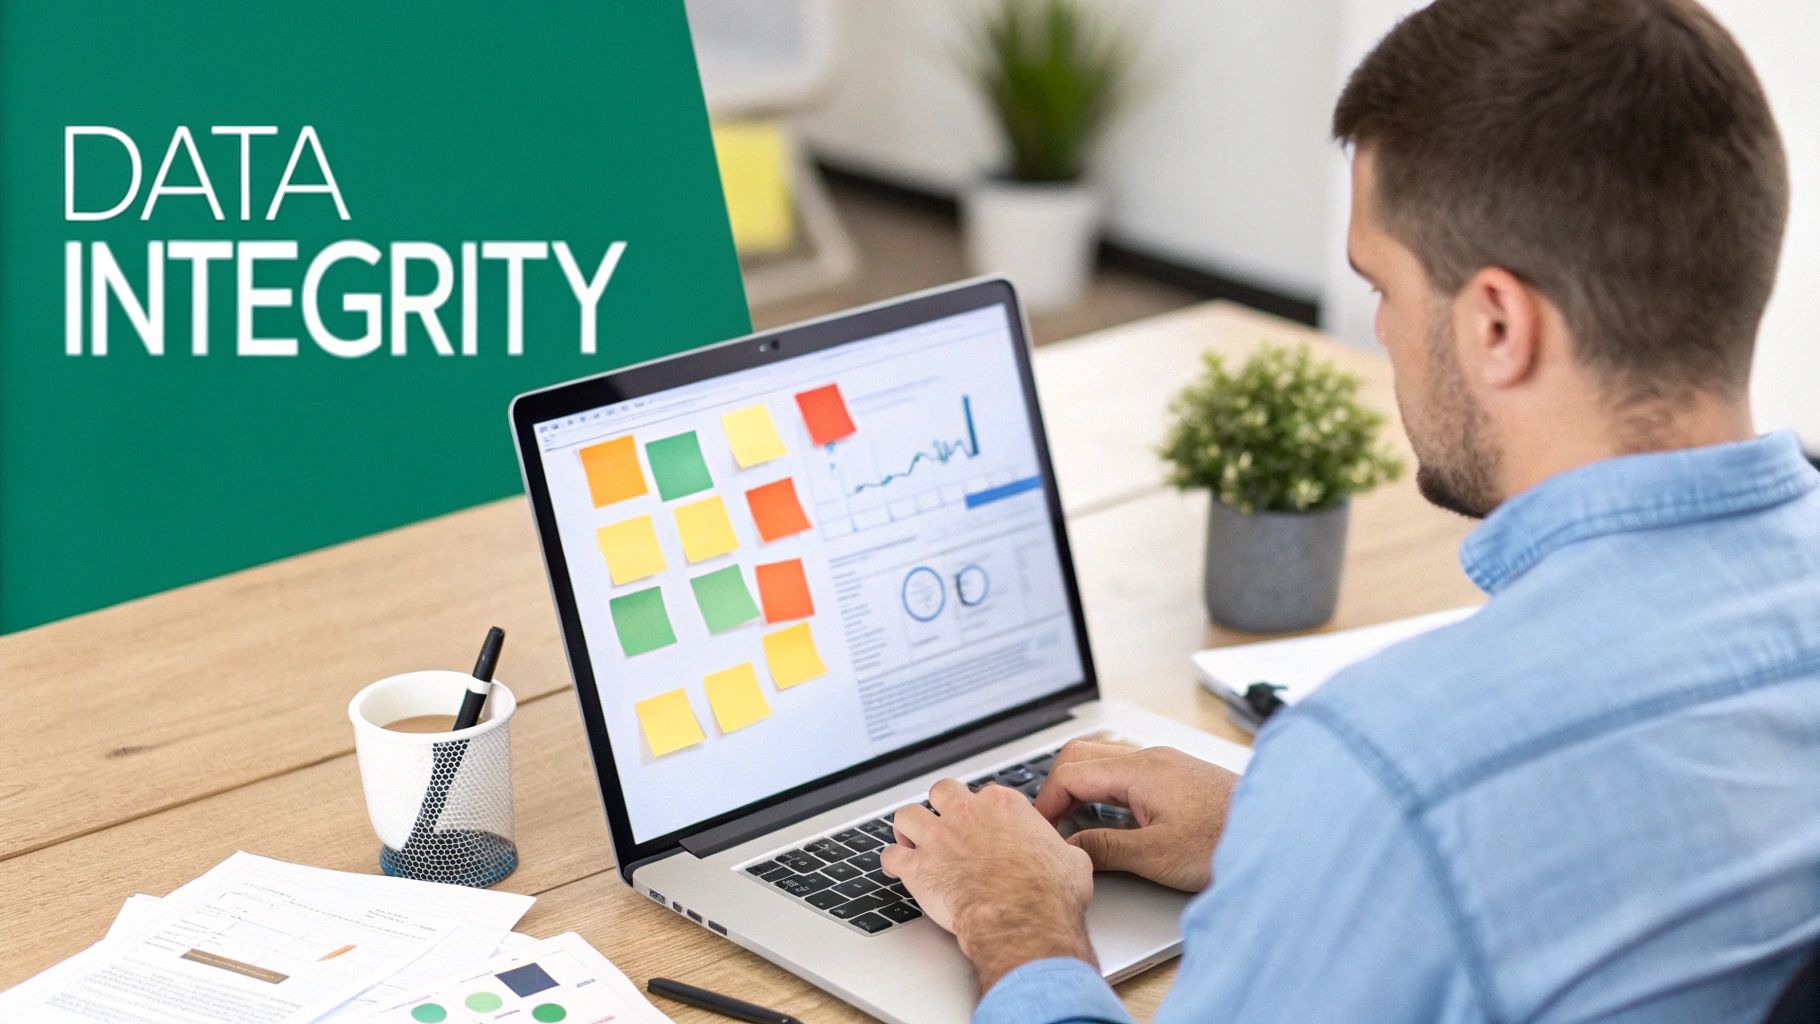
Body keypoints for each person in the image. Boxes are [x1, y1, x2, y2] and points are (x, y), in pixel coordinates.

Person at [879, 0, 1820, 1019]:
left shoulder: (1394, 764)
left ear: (1496, 323)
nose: (1377, 334)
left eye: (1379, 285)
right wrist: (1292, 835)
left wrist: (1016, 921)